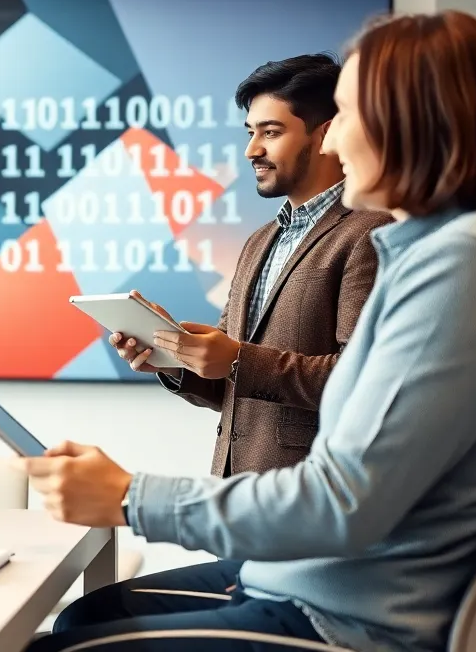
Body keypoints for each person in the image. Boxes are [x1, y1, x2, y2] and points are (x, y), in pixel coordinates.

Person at [24, 11, 476, 652]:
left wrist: (130, 497)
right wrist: (181, 362)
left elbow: (345, 500)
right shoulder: (465, 245)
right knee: (78, 621)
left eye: (343, 115)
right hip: (319, 576)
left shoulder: (469, 258)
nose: (333, 143)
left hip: (346, 610)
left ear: (407, 118)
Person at [114, 54, 392, 477]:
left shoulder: (370, 233)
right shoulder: (259, 242)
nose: (251, 150)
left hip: (315, 493)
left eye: (271, 132)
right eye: (250, 132)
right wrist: (175, 358)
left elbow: (363, 379)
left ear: (326, 135)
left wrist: (238, 359)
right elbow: (234, 384)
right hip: (238, 491)